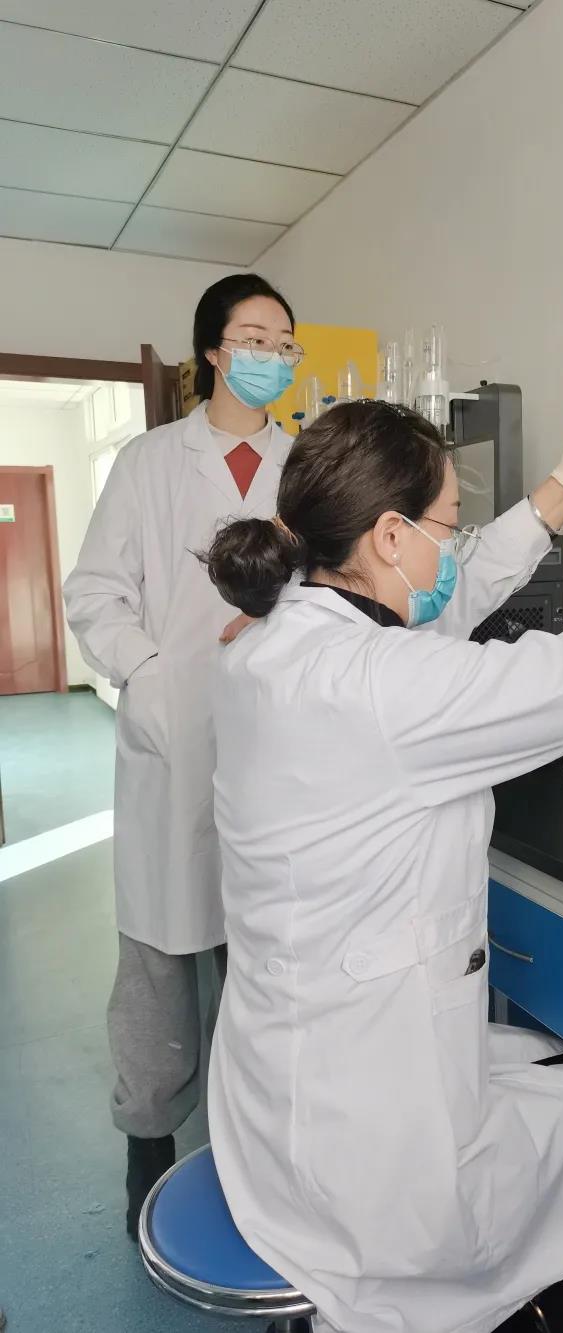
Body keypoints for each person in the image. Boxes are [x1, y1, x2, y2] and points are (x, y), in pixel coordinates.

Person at [204, 399, 563, 1333]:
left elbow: (445, 598)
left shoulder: (270, 644)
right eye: (448, 527)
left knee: (547, 1079)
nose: (455, 549)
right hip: (373, 1155)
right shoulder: (383, 685)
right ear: (388, 534)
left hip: (278, 1093)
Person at [63, 273, 302, 1237]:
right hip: (174, 736)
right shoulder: (151, 462)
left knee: (264, 957)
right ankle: (149, 1141)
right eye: (254, 338)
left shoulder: (306, 464)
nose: (271, 356)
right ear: (212, 350)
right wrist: (152, 673)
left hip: (282, 739)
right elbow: (94, 591)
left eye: (283, 343)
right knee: (159, 960)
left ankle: (256, 1149)